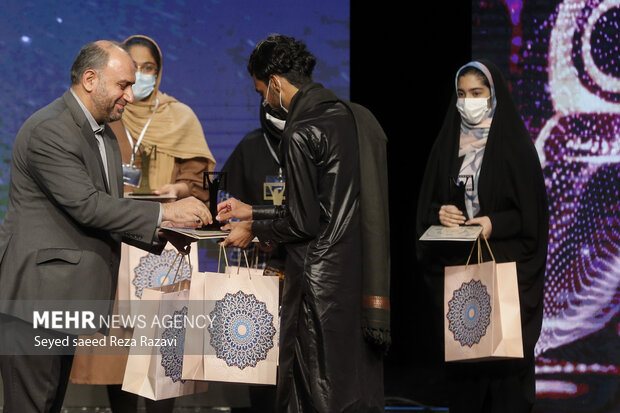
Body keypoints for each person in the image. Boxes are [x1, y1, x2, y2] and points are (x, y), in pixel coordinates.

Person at [0, 40, 211, 413]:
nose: (130, 95)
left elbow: (110, 210)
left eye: (132, 85)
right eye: (123, 85)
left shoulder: (102, 134)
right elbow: (88, 206)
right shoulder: (51, 130)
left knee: (48, 403)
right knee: (32, 405)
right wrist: (166, 214)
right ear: (90, 79)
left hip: (62, 301)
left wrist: (167, 233)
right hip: (37, 299)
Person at [216, 34, 390, 413]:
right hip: (355, 278)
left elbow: (301, 222)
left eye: (263, 91)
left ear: (276, 83)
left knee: (312, 394)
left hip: (315, 289)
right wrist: (254, 211)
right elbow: (326, 209)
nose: (264, 101)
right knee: (353, 391)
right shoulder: (353, 117)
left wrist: (252, 230)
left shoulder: (300, 131)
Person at [67, 35, 216, 413]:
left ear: (159, 71)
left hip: (165, 238)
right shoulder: (105, 114)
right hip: (114, 234)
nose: (140, 79)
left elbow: (200, 183)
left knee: (163, 344)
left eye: (148, 69)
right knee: (118, 347)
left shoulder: (179, 116)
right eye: (133, 71)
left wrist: (178, 188)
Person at [415, 60, 549, 412]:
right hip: (461, 283)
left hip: (505, 276)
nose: (468, 101)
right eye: (461, 94)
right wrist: (439, 214)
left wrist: (492, 223)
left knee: (505, 386)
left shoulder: (515, 146)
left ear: (493, 95)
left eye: (476, 93)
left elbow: (531, 219)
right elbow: (425, 209)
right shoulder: (448, 144)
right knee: (466, 384)